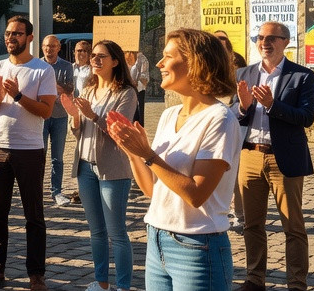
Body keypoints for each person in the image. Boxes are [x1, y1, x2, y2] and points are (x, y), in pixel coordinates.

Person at [107, 28, 241, 291]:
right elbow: (152, 189)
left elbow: (196, 194)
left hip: (198, 247)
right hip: (157, 240)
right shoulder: (169, 115)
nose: (159, 63)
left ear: (195, 64)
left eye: (168, 56)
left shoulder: (220, 119)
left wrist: (148, 153)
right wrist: (133, 152)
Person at [0, 15, 56, 290]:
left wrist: (19, 96)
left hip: (30, 150)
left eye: (17, 34)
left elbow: (46, 111)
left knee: (34, 215)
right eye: (8, 33)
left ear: (29, 37)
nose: (11, 38)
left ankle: (36, 274)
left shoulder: (42, 70)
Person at [235, 21, 314, 291]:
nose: (264, 42)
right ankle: (254, 279)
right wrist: (244, 108)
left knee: (293, 225)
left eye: (271, 38)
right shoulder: (243, 73)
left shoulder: (302, 76)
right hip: (250, 156)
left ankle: (296, 283)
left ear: (286, 41)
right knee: (252, 224)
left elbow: (306, 117)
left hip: (284, 158)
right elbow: (234, 115)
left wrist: (272, 105)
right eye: (260, 37)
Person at [59, 40, 138, 291]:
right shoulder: (89, 89)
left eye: (101, 56)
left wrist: (93, 115)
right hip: (85, 167)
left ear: (115, 61)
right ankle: (101, 282)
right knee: (96, 232)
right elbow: (79, 132)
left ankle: (123, 286)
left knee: (117, 232)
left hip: (113, 169)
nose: (94, 60)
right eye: (93, 56)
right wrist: (74, 115)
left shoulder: (126, 93)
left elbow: (120, 133)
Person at [39, 34, 74, 208]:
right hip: (40, 116)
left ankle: (56, 191)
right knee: (39, 155)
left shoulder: (67, 66)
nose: (49, 49)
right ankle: (36, 189)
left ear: (58, 48)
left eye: (52, 46)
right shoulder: (35, 65)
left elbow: (69, 89)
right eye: (46, 46)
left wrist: (49, 81)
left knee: (57, 158)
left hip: (60, 116)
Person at [225, 47, 247, 231]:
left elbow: (241, 112)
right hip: (224, 137)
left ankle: (239, 214)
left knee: (238, 177)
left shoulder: (243, 89)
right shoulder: (222, 89)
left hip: (240, 135)